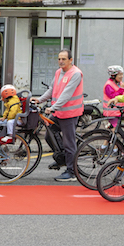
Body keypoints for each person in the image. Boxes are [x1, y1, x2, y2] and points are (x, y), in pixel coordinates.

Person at [36, 49, 84, 182]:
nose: (61, 61)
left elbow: (66, 94)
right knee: (49, 134)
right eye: (59, 59)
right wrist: (39, 100)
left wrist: (52, 108)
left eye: (64, 59)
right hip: (59, 112)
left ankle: (71, 172)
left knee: (69, 143)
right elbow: (52, 90)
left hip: (70, 113)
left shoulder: (75, 74)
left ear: (70, 60)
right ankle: (63, 158)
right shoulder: (58, 72)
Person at [103, 65, 124, 129]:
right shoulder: (108, 85)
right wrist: (122, 88)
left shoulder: (119, 83)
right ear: (113, 76)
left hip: (118, 112)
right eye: (120, 75)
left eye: (122, 74)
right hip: (111, 113)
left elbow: (122, 94)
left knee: (113, 134)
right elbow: (113, 96)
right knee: (113, 131)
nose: (122, 76)